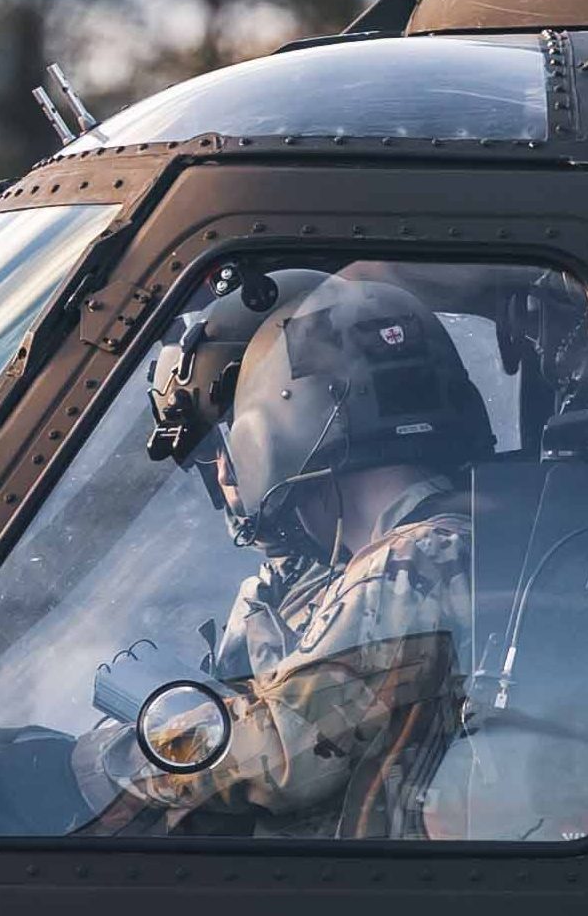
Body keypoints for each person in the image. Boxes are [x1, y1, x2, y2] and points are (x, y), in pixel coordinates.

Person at [74, 273, 490, 840]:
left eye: (227, 448)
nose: (225, 476)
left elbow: (278, 751)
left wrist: (91, 761)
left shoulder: (409, 564)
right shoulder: (462, 537)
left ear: (277, 435)